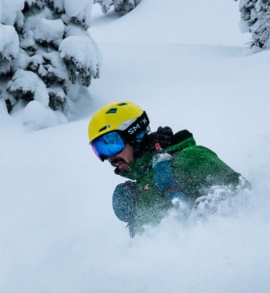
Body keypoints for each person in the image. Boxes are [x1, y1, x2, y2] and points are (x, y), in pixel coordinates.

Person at [87, 101, 246, 235]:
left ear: (134, 134)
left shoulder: (190, 159)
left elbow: (245, 201)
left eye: (111, 144)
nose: (109, 157)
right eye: (99, 149)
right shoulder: (136, 194)